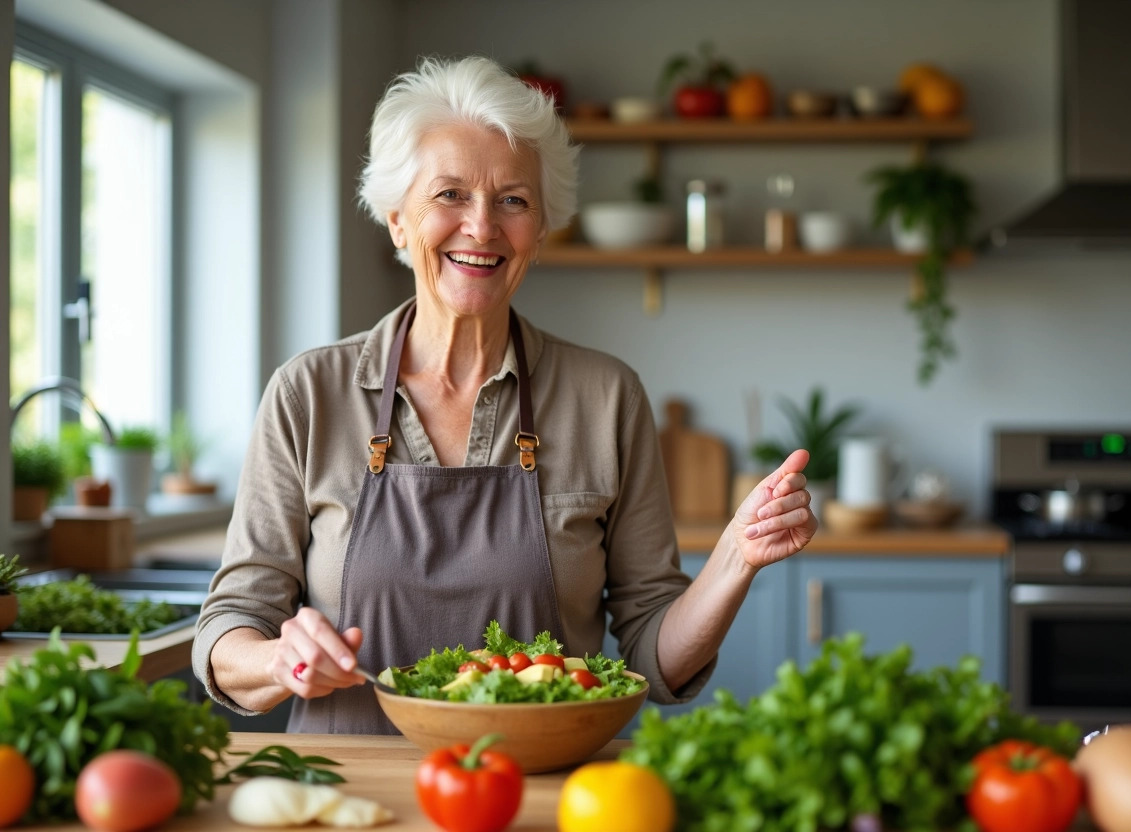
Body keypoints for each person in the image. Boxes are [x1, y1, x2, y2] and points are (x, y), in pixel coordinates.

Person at [193, 55, 816, 734]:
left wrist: (734, 560)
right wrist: (278, 658)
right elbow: (230, 627)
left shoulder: (605, 398)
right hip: (352, 796)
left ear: (542, 230)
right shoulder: (309, 394)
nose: (483, 226)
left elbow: (653, 653)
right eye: (450, 194)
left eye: (513, 200)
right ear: (398, 220)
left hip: (543, 791)